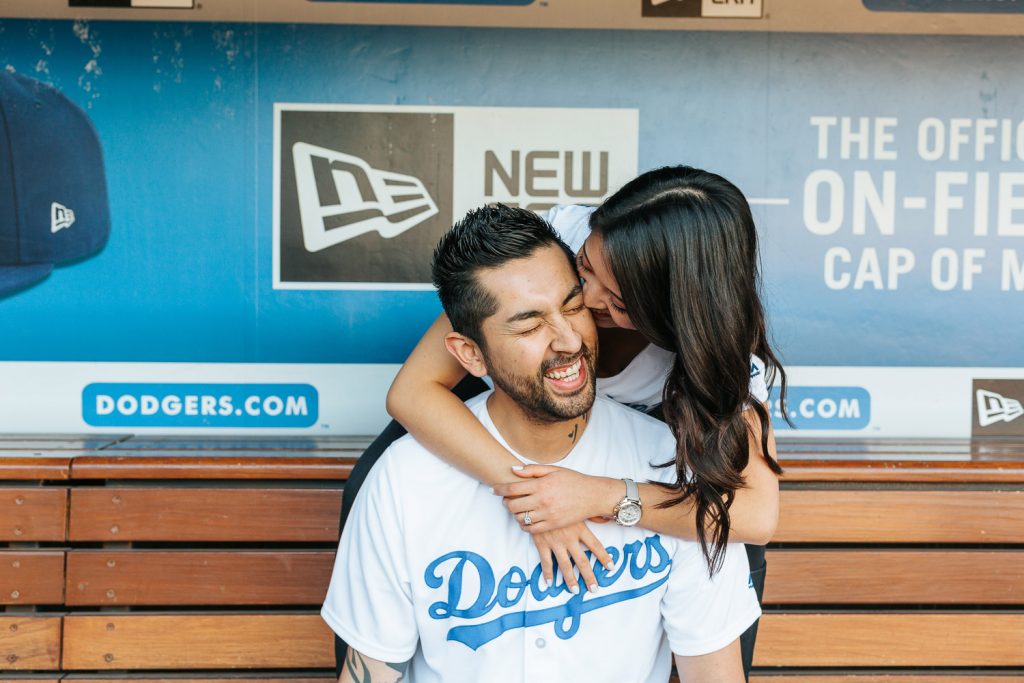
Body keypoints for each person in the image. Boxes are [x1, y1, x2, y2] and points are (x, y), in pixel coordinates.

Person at [335, 166, 786, 678]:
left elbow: (755, 515)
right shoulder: (557, 247)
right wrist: (531, 496)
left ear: (672, 313)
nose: (588, 302)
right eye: (584, 270)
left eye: (616, 302)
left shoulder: (713, 353)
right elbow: (413, 392)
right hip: (513, 407)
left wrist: (599, 496)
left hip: (620, 455)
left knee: (722, 548)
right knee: (375, 487)